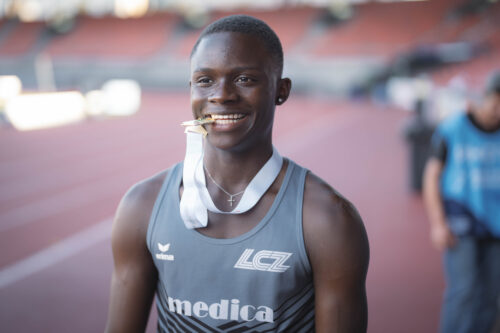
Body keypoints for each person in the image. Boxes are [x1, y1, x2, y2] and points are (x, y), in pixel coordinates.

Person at [105, 15, 369, 333]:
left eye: (244, 79)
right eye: (205, 81)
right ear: (191, 89)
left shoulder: (328, 220)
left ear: (281, 90)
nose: (221, 95)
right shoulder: (142, 206)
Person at [423, 71, 500, 333]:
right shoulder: (453, 128)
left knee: (491, 294)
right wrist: (437, 223)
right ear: (482, 98)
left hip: (496, 223)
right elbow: (432, 176)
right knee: (463, 291)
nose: (497, 110)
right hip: (461, 220)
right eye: (495, 101)